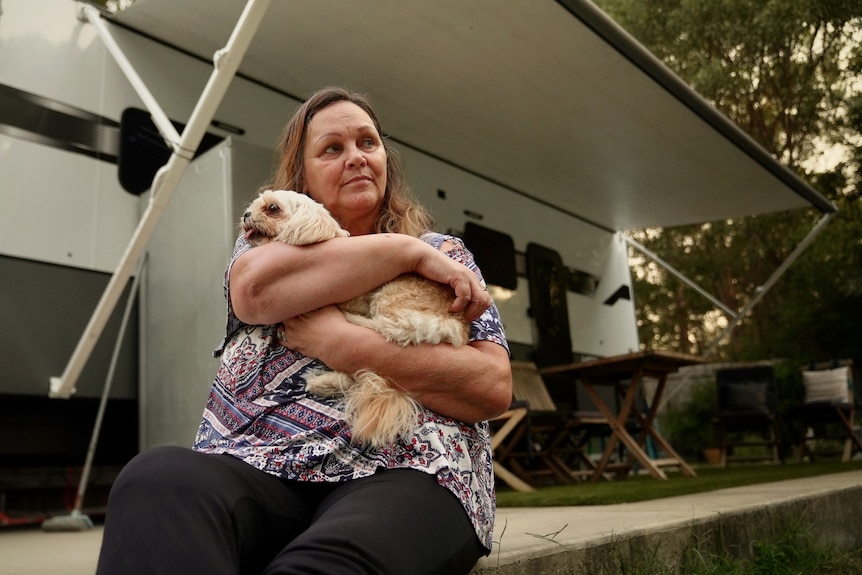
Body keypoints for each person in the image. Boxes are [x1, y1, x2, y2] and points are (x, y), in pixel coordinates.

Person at [96, 87, 513, 575]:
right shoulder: (264, 238)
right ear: (302, 180)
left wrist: (340, 342)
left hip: (410, 469)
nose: (356, 158)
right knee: (155, 478)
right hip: (257, 463)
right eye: (332, 149)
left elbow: (491, 386)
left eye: (368, 143)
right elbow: (254, 293)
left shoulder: (447, 252)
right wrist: (406, 254)